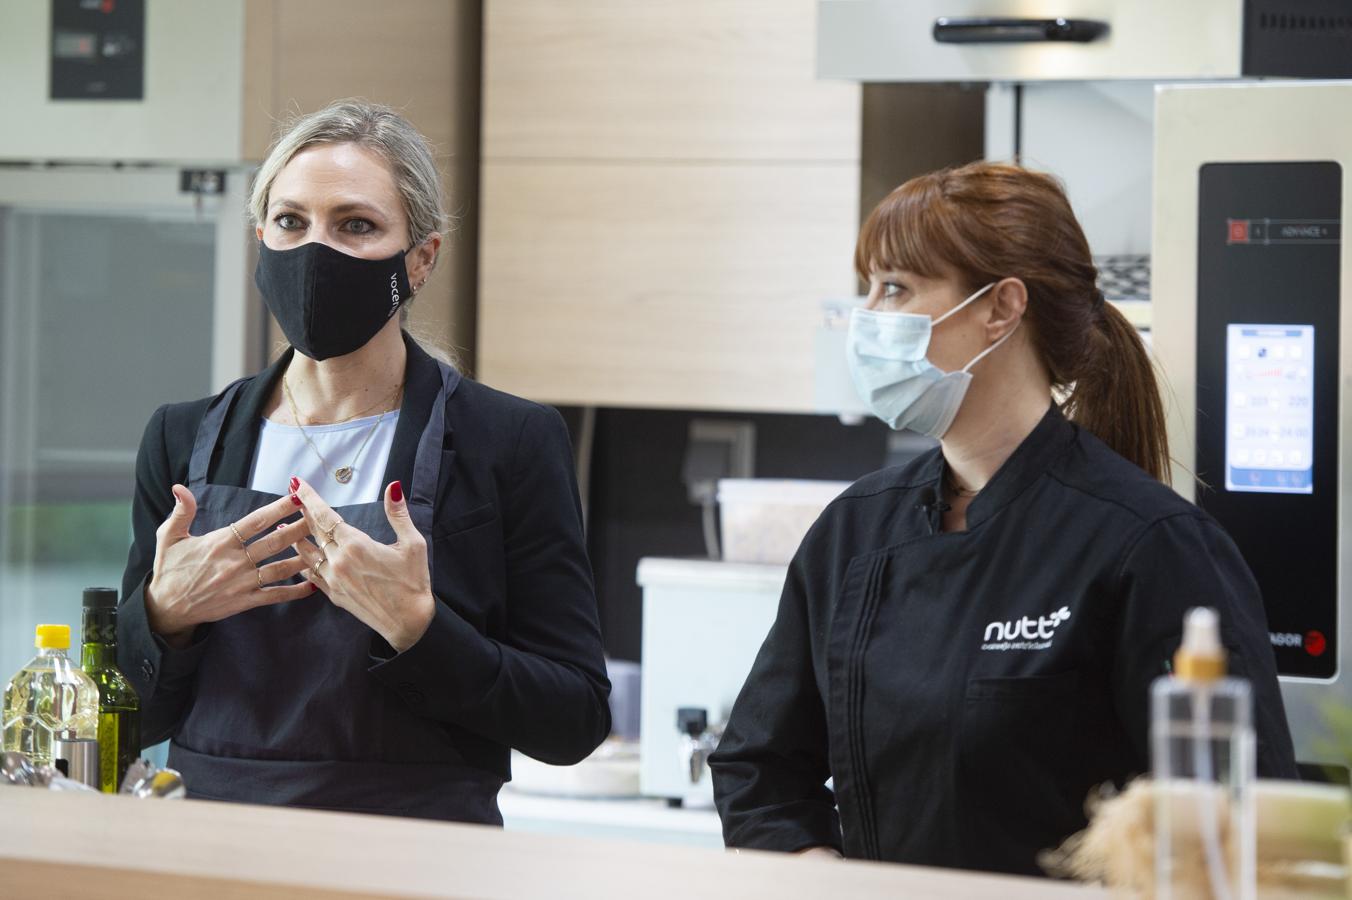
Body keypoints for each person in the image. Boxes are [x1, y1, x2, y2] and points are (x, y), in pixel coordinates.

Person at [708, 161, 1297, 875]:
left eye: (895, 288)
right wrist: (825, 875)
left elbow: (1237, 823)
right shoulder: (855, 533)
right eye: (868, 288)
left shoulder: (1148, 545)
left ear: (1001, 307)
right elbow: (758, 766)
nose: (868, 319)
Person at [116, 100, 611, 823]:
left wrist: (420, 631)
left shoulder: (506, 441)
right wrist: (165, 616)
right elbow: (122, 720)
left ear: (421, 258)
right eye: (291, 222)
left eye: (356, 225)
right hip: (210, 849)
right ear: (260, 240)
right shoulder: (182, 438)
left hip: (414, 862)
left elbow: (572, 720)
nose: (316, 252)